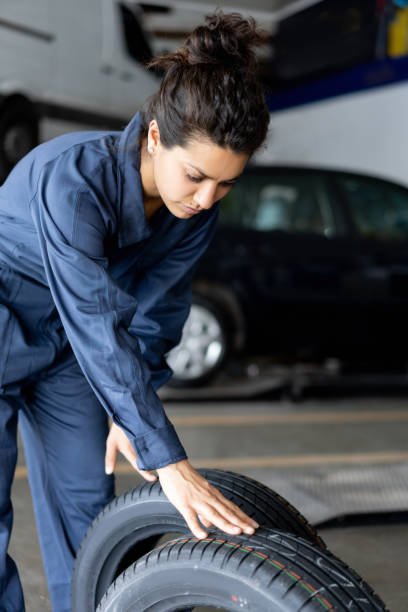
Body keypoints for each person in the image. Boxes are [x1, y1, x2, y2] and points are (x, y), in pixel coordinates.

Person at [0, 11, 270, 612]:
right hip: (7, 323)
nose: (205, 200)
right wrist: (166, 457)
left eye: (226, 185)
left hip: (71, 355)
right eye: (197, 176)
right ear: (154, 137)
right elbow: (94, 316)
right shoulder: (70, 180)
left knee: (88, 509)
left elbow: (161, 308)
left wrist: (134, 407)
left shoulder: (193, 213)